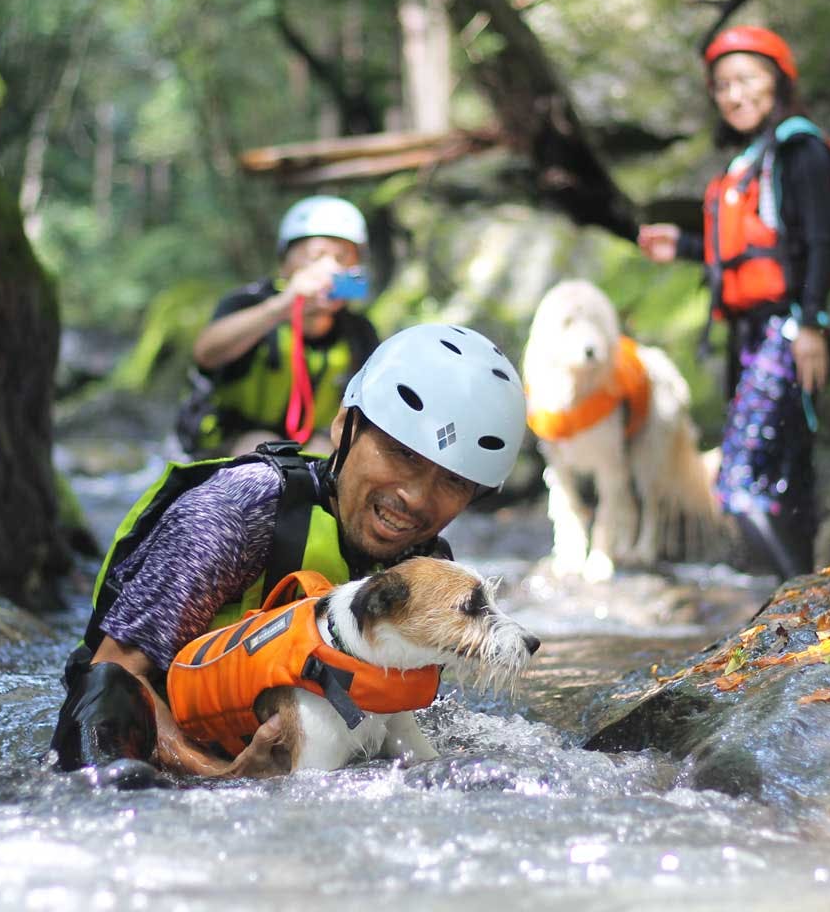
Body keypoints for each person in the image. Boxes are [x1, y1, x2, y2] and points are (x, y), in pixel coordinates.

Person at [51, 323, 528, 778]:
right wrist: (220, 776)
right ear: (345, 427)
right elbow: (115, 671)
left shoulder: (424, 575)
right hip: (163, 744)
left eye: (453, 480)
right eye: (401, 453)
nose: (417, 497)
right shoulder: (241, 509)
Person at [637, 26, 830, 580]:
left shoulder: (800, 149)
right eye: (723, 85)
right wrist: (680, 246)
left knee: (739, 481)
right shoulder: (752, 158)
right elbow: (755, 248)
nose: (734, 95)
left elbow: (821, 242)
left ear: (778, 80)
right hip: (753, 334)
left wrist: (811, 323)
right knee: (782, 476)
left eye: (747, 79)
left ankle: (799, 595)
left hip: (788, 331)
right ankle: (804, 602)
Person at [177, 195, 380, 458]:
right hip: (231, 442)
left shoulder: (359, 332)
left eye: (343, 258)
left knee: (327, 453)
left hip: (314, 442)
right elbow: (206, 353)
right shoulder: (248, 303)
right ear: (285, 263)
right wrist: (284, 305)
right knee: (260, 447)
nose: (330, 268)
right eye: (315, 256)